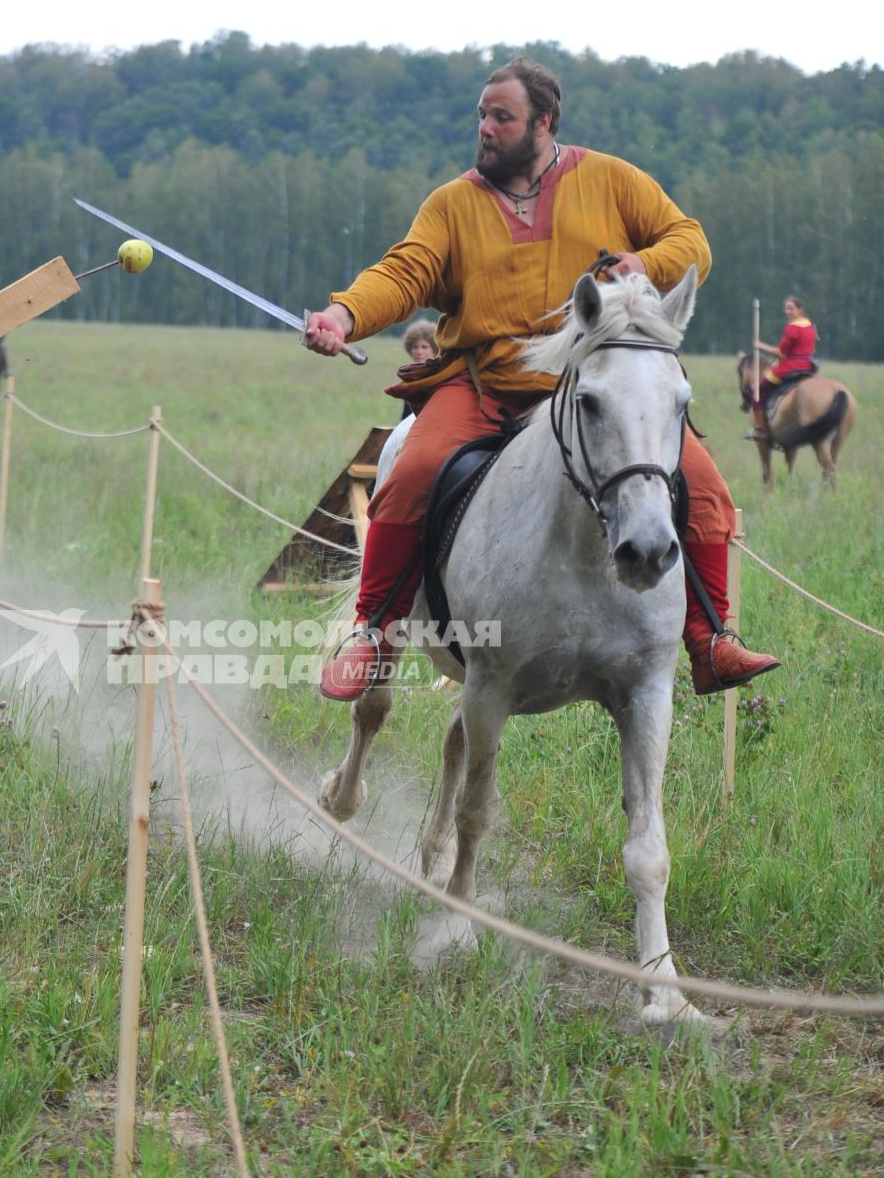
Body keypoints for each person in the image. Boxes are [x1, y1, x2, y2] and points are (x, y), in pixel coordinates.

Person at [303, 56, 780, 702]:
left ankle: (709, 639)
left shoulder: (611, 179)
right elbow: (403, 272)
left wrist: (642, 263)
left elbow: (690, 242)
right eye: (481, 116)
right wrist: (343, 314)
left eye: (501, 117)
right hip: (484, 385)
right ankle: (372, 636)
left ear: (544, 122)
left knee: (701, 484)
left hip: (594, 389)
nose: (486, 129)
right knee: (410, 475)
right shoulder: (452, 203)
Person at [398, 319, 441, 420]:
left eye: (424, 347)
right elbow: (406, 415)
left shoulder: (441, 375)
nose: (419, 352)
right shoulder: (409, 377)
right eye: (415, 347)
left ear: (435, 350)